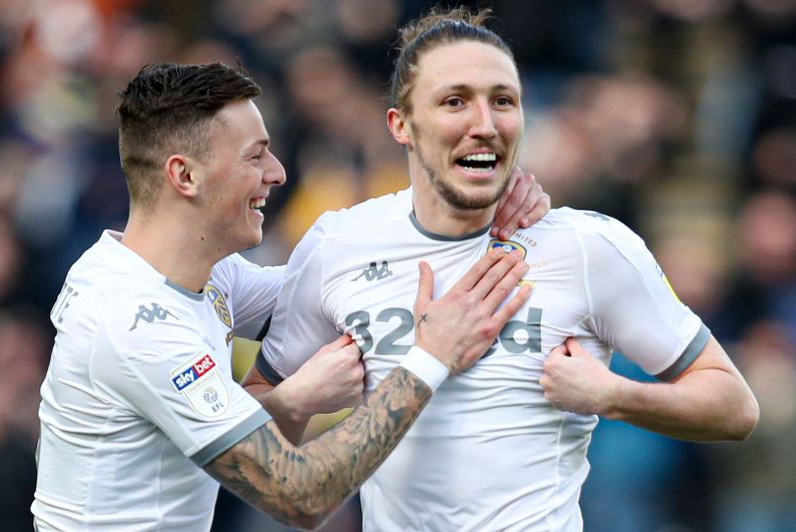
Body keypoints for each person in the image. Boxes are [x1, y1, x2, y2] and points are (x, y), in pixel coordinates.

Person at [244, 7, 760, 531]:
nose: (485, 125)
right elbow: (242, 439)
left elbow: (735, 407)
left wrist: (612, 395)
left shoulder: (590, 247)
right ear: (401, 125)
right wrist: (299, 400)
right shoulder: (338, 245)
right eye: (454, 102)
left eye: (503, 101)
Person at [29, 61, 544, 531]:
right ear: (185, 175)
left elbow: (348, 283)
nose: (277, 172)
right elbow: (301, 496)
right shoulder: (136, 324)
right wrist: (430, 358)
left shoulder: (201, 274)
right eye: (255, 156)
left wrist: (475, 203)